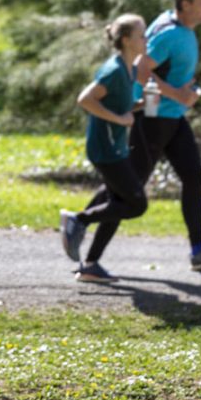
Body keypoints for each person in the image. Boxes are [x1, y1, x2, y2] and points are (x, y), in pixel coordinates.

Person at [128, 0, 201, 270]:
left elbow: (171, 71)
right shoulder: (169, 34)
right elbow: (140, 71)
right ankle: (80, 222)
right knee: (132, 184)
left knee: (192, 176)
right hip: (155, 117)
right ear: (185, 5)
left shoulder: (176, 26)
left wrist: (190, 91)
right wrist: (177, 93)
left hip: (172, 116)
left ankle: (199, 249)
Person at [59, 14, 150, 283]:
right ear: (126, 40)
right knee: (136, 205)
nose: (146, 39)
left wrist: (136, 105)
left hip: (115, 148)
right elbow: (85, 99)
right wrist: (121, 119)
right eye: (142, 35)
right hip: (105, 151)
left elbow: (116, 104)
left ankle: (90, 266)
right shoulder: (113, 70)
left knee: (118, 205)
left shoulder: (129, 68)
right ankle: (79, 219)